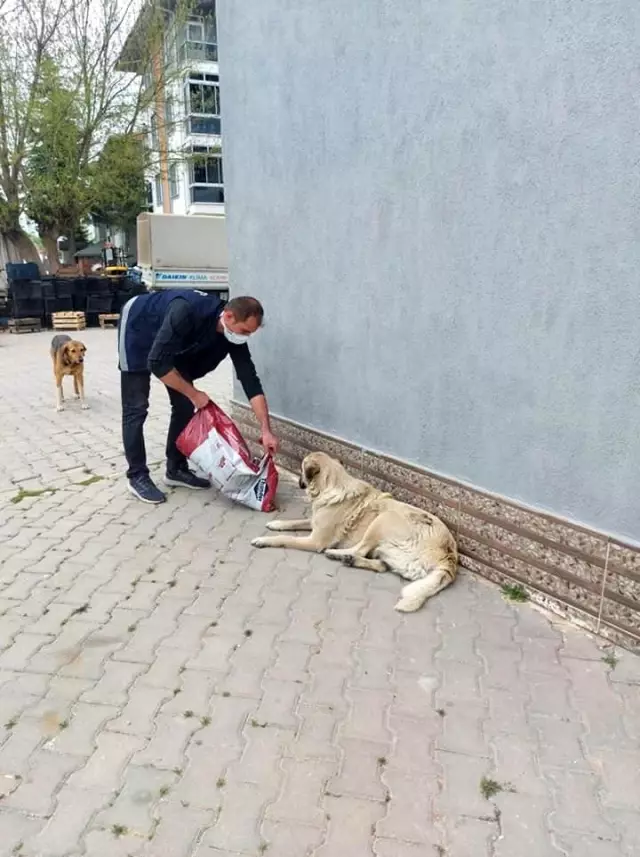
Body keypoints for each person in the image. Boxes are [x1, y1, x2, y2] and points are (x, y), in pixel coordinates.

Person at [118, 290, 278, 504]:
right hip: (138, 327)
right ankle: (137, 476)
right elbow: (157, 363)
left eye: (250, 333)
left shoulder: (232, 335)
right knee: (136, 408)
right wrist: (194, 393)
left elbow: (250, 381)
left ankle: (175, 468)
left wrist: (266, 430)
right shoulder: (185, 312)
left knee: (184, 406)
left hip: (171, 341)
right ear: (228, 316)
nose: (245, 337)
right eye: (244, 331)